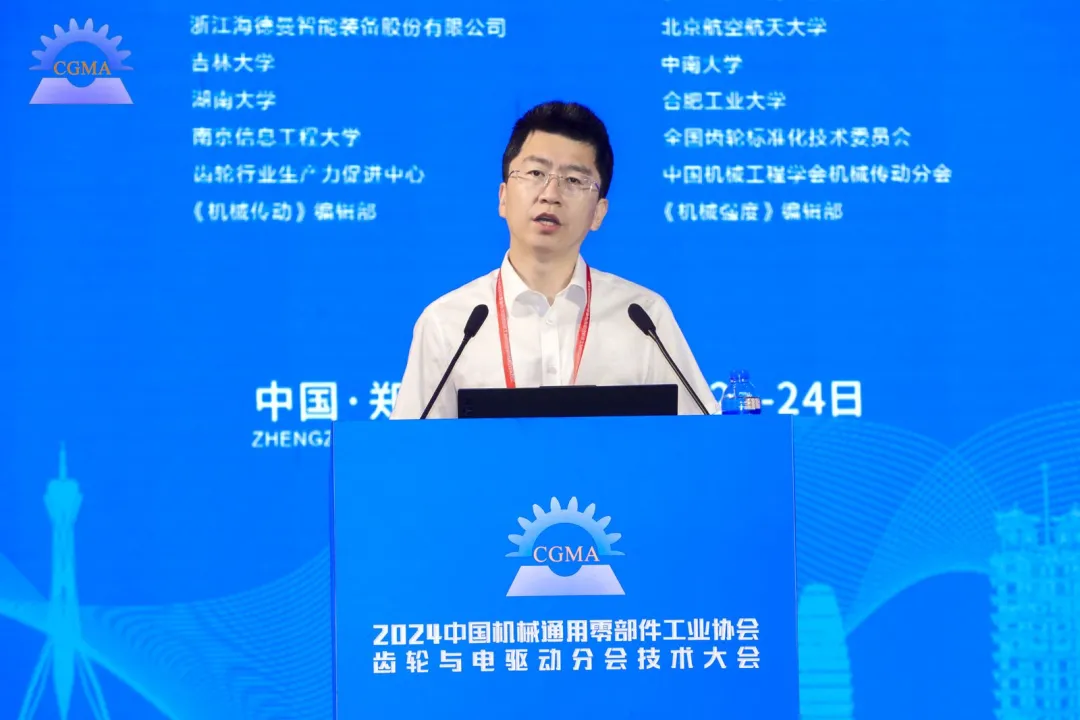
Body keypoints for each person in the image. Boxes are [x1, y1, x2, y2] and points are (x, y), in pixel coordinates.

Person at [390, 101, 718, 419]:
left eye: (574, 180)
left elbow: (706, 439)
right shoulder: (448, 324)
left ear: (599, 212)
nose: (550, 194)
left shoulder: (645, 319)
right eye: (535, 172)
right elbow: (408, 449)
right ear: (503, 197)